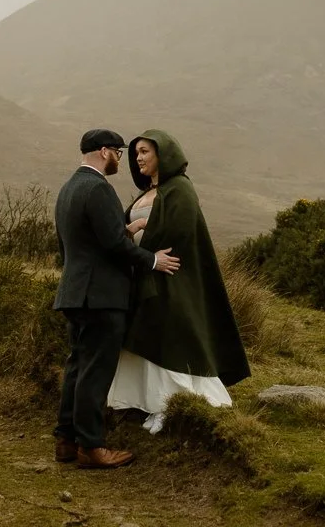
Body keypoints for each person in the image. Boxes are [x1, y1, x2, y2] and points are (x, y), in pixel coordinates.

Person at [53, 129, 181, 469]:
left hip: (74, 291)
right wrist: (153, 260)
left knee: (77, 368)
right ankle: (91, 447)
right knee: (95, 372)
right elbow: (112, 245)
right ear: (106, 152)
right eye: (120, 154)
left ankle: (65, 441)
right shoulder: (98, 188)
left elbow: (76, 243)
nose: (122, 161)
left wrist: (129, 228)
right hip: (102, 296)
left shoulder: (69, 189)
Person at [108, 130, 250, 430]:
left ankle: (171, 404)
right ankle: (145, 402)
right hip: (145, 273)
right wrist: (131, 233)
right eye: (136, 154)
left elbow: (182, 229)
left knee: (171, 338)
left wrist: (150, 228)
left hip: (171, 274)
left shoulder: (180, 189)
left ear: (163, 154)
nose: (139, 158)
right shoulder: (147, 192)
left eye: (145, 152)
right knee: (146, 336)